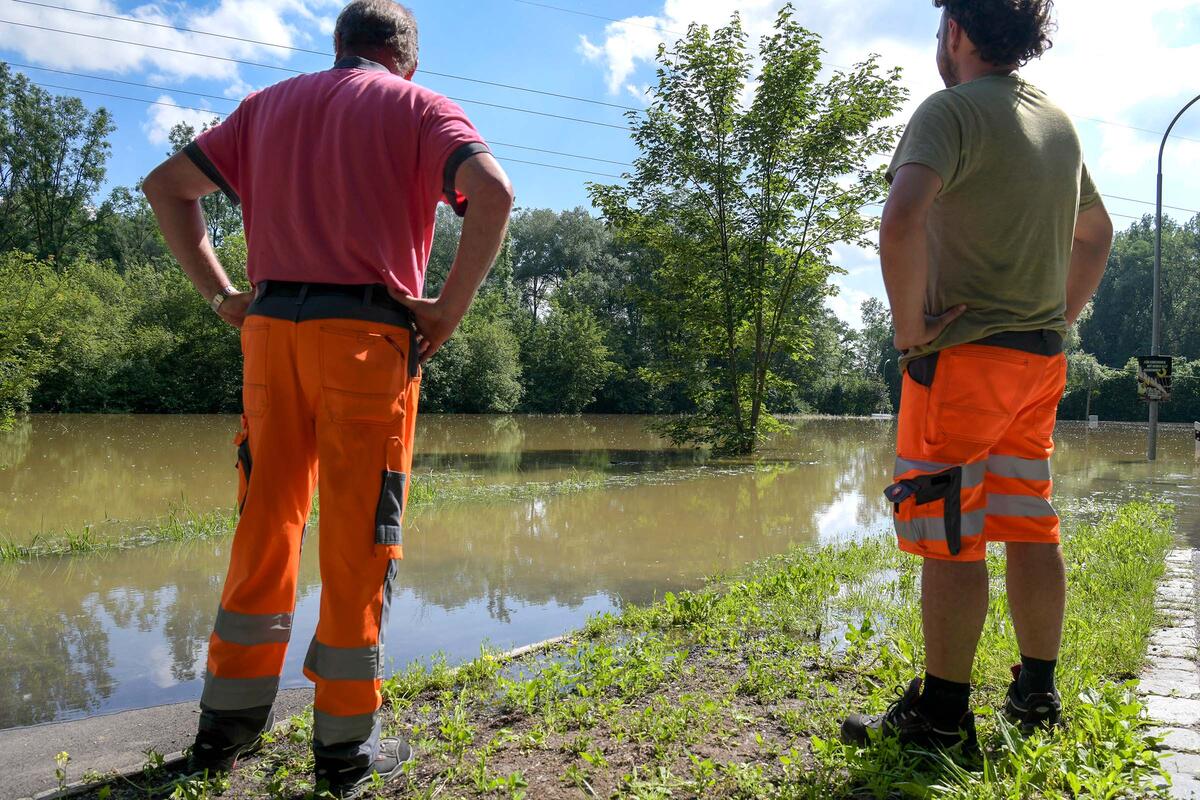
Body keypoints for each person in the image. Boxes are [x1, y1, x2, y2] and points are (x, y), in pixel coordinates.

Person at [142, 0, 514, 794]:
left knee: (264, 523)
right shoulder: (420, 107)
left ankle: (225, 733)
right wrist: (447, 308)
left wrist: (221, 296)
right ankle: (343, 753)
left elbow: (165, 187)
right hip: (366, 341)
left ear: (338, 46)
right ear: (405, 60)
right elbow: (494, 191)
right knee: (357, 539)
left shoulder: (267, 106)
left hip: (271, 337)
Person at [840, 0, 1113, 750]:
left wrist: (907, 330)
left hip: (960, 362)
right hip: (1037, 363)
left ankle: (943, 716)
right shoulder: (1058, 124)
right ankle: (1035, 694)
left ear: (955, 32)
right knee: (1028, 521)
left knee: (951, 534)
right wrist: (1058, 314)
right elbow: (1097, 231)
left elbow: (900, 220)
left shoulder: (949, 111)